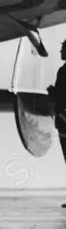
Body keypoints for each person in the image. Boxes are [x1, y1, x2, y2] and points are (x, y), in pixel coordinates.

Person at [47, 39, 66, 208]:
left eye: (63, 49)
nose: (61, 52)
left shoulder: (63, 71)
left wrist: (51, 92)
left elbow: (60, 96)